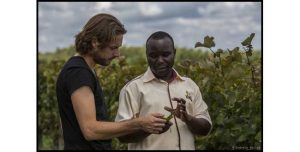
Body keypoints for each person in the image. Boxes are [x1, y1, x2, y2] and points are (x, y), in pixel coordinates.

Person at [56, 14, 168, 150]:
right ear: (95, 42)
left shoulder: (82, 70)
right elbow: (90, 130)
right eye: (113, 47)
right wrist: (139, 123)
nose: (117, 54)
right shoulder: (78, 72)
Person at [115, 31, 212, 150]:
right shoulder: (133, 88)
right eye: (154, 56)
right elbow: (121, 136)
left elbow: (205, 129)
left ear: (174, 53)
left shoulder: (190, 85)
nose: (160, 60)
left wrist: (188, 119)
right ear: (147, 55)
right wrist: (150, 128)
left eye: (166, 55)